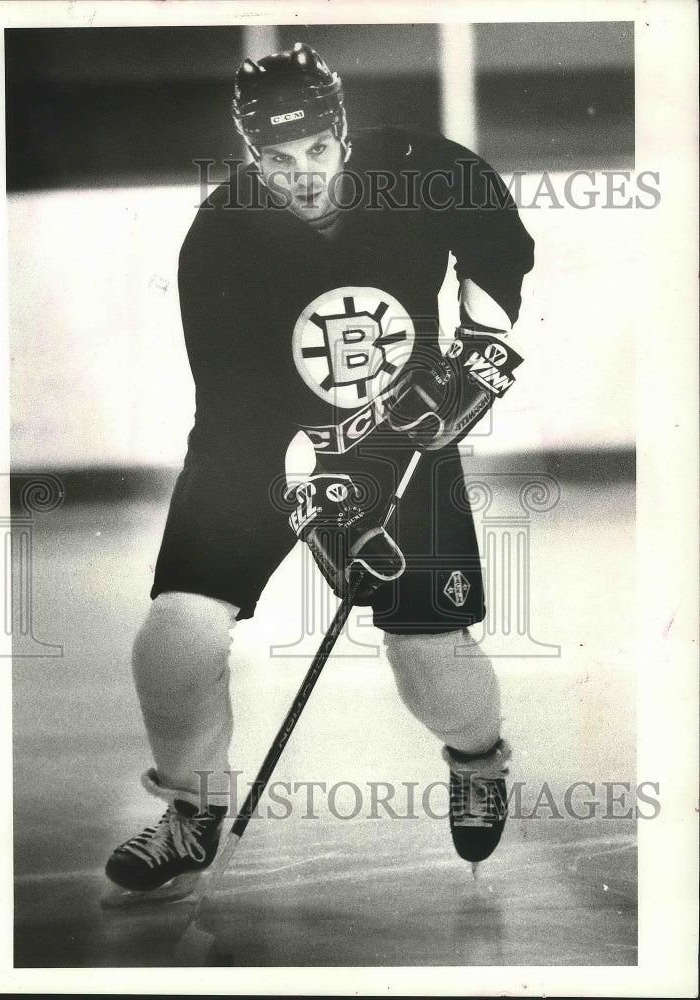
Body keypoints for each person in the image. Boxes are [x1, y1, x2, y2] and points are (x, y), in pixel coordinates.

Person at [103, 42, 535, 905]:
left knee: (427, 657)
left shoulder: (417, 167)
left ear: (342, 135)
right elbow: (234, 407)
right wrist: (325, 502)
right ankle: (190, 811)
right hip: (259, 445)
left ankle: (477, 759)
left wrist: (477, 347)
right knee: (175, 635)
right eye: (274, 159)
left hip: (404, 434)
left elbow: (494, 236)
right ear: (249, 156)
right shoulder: (220, 238)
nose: (299, 176)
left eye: (314, 152)